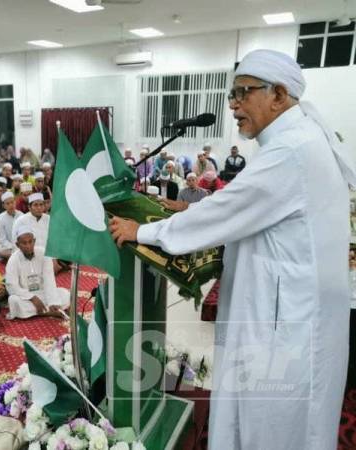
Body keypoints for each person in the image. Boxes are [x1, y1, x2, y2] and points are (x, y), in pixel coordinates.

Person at [109, 49, 356, 450]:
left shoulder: (290, 150)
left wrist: (143, 232)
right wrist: (192, 207)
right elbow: (254, 205)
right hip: (294, 309)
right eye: (232, 94)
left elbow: (233, 208)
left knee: (272, 420)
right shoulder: (299, 139)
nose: (233, 105)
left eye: (243, 92)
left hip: (284, 320)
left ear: (278, 95)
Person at [5, 227, 69, 319]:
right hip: (25, 296)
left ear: (34, 241)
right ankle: (48, 312)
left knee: (65, 293)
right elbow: (11, 286)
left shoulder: (43, 253)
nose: (28, 246)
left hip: (43, 293)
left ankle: (43, 310)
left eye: (30, 242)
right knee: (13, 301)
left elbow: (49, 279)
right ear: (17, 245)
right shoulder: (13, 260)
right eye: (24, 243)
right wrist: (32, 297)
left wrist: (53, 301)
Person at [0, 192, 24, 261]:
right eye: (7, 203)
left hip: (21, 244)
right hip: (7, 247)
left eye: (12, 202)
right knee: (0, 250)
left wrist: (20, 245)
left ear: (15, 202)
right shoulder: (0, 219)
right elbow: (2, 240)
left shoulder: (22, 216)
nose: (11, 205)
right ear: (4, 206)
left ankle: (16, 257)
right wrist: (14, 247)